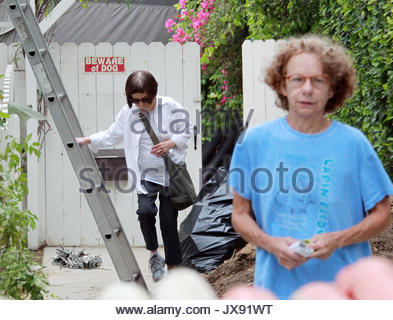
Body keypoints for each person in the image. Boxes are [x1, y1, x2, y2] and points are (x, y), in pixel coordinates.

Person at [229, 35, 393, 299]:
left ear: (332, 89)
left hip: (344, 295)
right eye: (297, 79)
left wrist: (337, 239)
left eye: (318, 80)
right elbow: (240, 215)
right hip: (276, 293)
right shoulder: (254, 143)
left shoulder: (354, 144)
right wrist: (271, 244)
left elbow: (383, 214)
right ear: (282, 85)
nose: (307, 89)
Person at [76, 70, 191, 282]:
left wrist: (171, 142)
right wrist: (89, 139)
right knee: (145, 212)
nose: (140, 104)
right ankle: (154, 255)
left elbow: (186, 130)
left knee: (168, 222)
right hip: (145, 176)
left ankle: (174, 269)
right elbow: (112, 135)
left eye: (145, 99)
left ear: (154, 93)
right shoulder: (128, 112)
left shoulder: (170, 106)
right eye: (135, 100)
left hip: (170, 175)